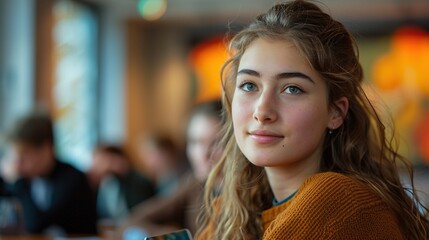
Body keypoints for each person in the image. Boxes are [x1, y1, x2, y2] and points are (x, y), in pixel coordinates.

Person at [196, 1, 429, 239]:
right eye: (249, 85)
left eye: (292, 89)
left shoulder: (335, 201)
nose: (262, 110)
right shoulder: (237, 210)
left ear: (335, 113)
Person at [116, 99, 223, 239]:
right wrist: (174, 236)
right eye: (195, 142)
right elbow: (130, 221)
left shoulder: (252, 192)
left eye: (216, 143)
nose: (203, 154)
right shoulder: (194, 184)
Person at [6, 110, 97, 235]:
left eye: (24, 155)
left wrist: (18, 183)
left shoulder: (72, 180)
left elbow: (36, 226)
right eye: (16, 156)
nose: (18, 164)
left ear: (46, 149)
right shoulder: (28, 177)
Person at [90, 144, 156, 222]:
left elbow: (140, 210)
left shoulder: (138, 181)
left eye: (108, 161)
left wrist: (124, 170)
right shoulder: (106, 183)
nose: (103, 166)